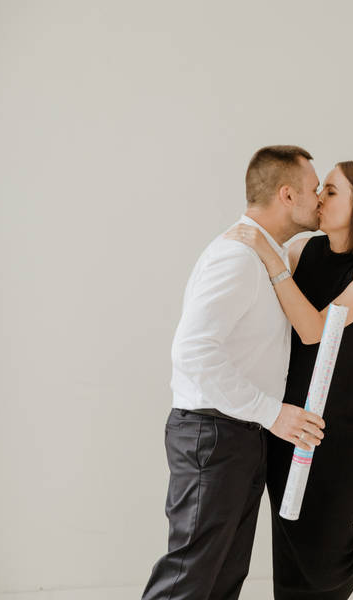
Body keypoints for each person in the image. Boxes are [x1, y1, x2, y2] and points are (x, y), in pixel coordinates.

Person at [142, 145, 328, 600]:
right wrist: (272, 412)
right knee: (187, 583)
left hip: (240, 437)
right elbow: (193, 352)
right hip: (213, 436)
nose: (319, 198)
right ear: (286, 195)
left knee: (221, 583)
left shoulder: (269, 255)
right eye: (313, 189)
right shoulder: (237, 257)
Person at [226, 157, 353, 599]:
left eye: (330, 190)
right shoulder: (301, 250)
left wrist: (269, 256)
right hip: (285, 419)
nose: (318, 198)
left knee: (326, 569)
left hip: (339, 426)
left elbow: (314, 331)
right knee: (290, 560)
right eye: (320, 188)